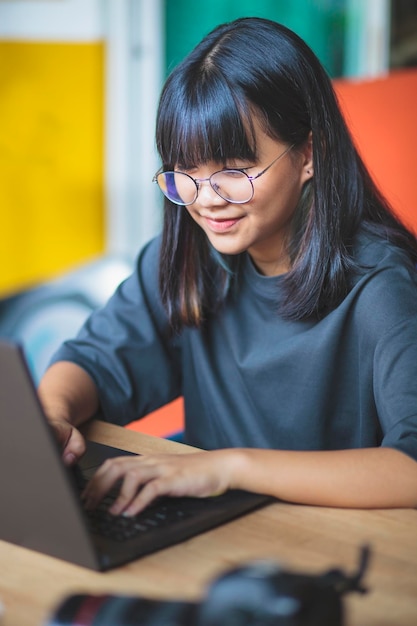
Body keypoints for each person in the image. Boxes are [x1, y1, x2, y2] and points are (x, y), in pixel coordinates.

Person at [39, 17, 417, 515]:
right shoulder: (188, 260)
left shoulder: (381, 286)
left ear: (309, 153)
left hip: (324, 550)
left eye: (234, 170)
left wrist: (226, 468)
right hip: (212, 532)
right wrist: (51, 416)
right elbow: (91, 363)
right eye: (185, 172)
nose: (206, 201)